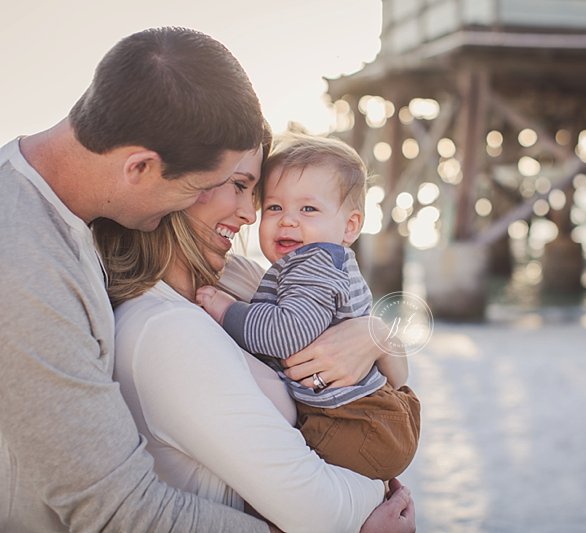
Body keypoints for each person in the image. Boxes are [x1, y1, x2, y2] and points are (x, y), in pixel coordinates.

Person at [0, 26, 412, 532]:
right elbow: (114, 510)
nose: (249, 213)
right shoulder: (25, 263)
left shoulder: (219, 275)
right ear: (143, 168)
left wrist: (374, 334)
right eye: (228, 185)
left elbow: (362, 333)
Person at [93, 136, 416, 532]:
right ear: (181, 184)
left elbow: (396, 375)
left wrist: (373, 333)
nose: (252, 213)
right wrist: (385, 498)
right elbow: (321, 515)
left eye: (255, 192)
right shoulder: (167, 329)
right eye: (239, 186)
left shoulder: (237, 276)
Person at [196, 132, 421, 482]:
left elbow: (285, 333)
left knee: (281, 482)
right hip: (375, 414)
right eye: (274, 207)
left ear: (350, 227)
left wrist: (228, 312)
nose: (287, 220)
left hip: (352, 420)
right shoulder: (316, 263)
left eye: (308, 209)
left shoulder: (312, 264)